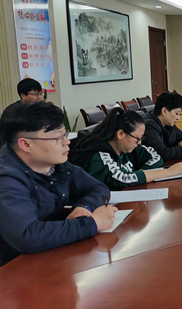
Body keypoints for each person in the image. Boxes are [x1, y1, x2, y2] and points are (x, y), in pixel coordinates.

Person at [0, 102, 116, 265]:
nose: (66, 142)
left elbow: (98, 187)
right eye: (57, 138)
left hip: (50, 255)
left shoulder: (56, 165)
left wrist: (85, 207)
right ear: (25, 144)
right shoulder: (6, 179)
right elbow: (27, 236)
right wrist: (92, 223)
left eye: (65, 134)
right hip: (14, 268)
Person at [71, 109, 182, 190]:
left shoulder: (130, 146)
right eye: (137, 138)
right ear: (120, 134)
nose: (139, 143)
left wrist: (138, 175)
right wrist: (168, 172)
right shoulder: (99, 155)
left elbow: (156, 157)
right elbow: (122, 179)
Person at [142, 92, 182, 160]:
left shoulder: (168, 124)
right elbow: (163, 153)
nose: (178, 118)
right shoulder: (148, 127)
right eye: (176, 113)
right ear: (164, 111)